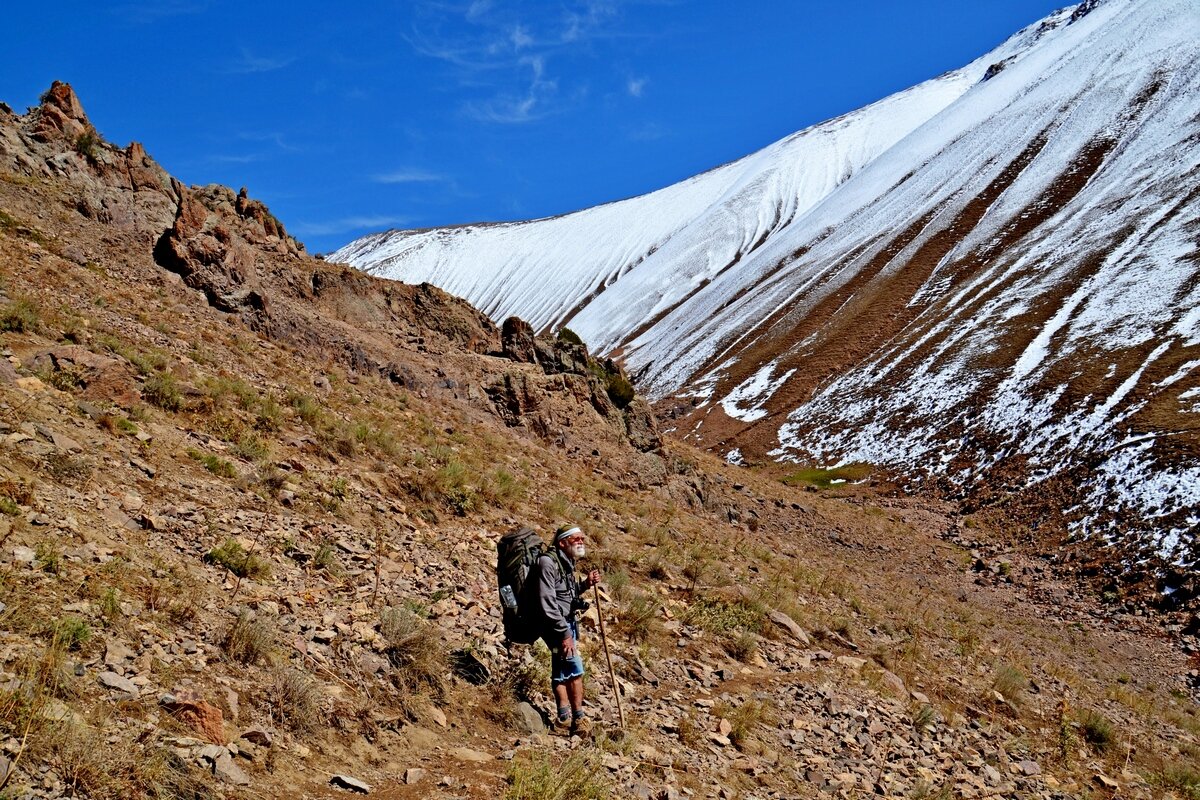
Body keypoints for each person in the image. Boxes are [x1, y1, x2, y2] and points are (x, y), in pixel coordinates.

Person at [536, 524, 601, 736]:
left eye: (582, 538)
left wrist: (585, 585)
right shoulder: (548, 563)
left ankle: (563, 718)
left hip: (564, 623)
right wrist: (564, 634)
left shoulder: (565, 562)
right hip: (557, 625)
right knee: (575, 669)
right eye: (576, 539)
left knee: (560, 668)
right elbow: (547, 602)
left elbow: (566, 594)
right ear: (562, 542)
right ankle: (579, 719)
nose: (581, 542)